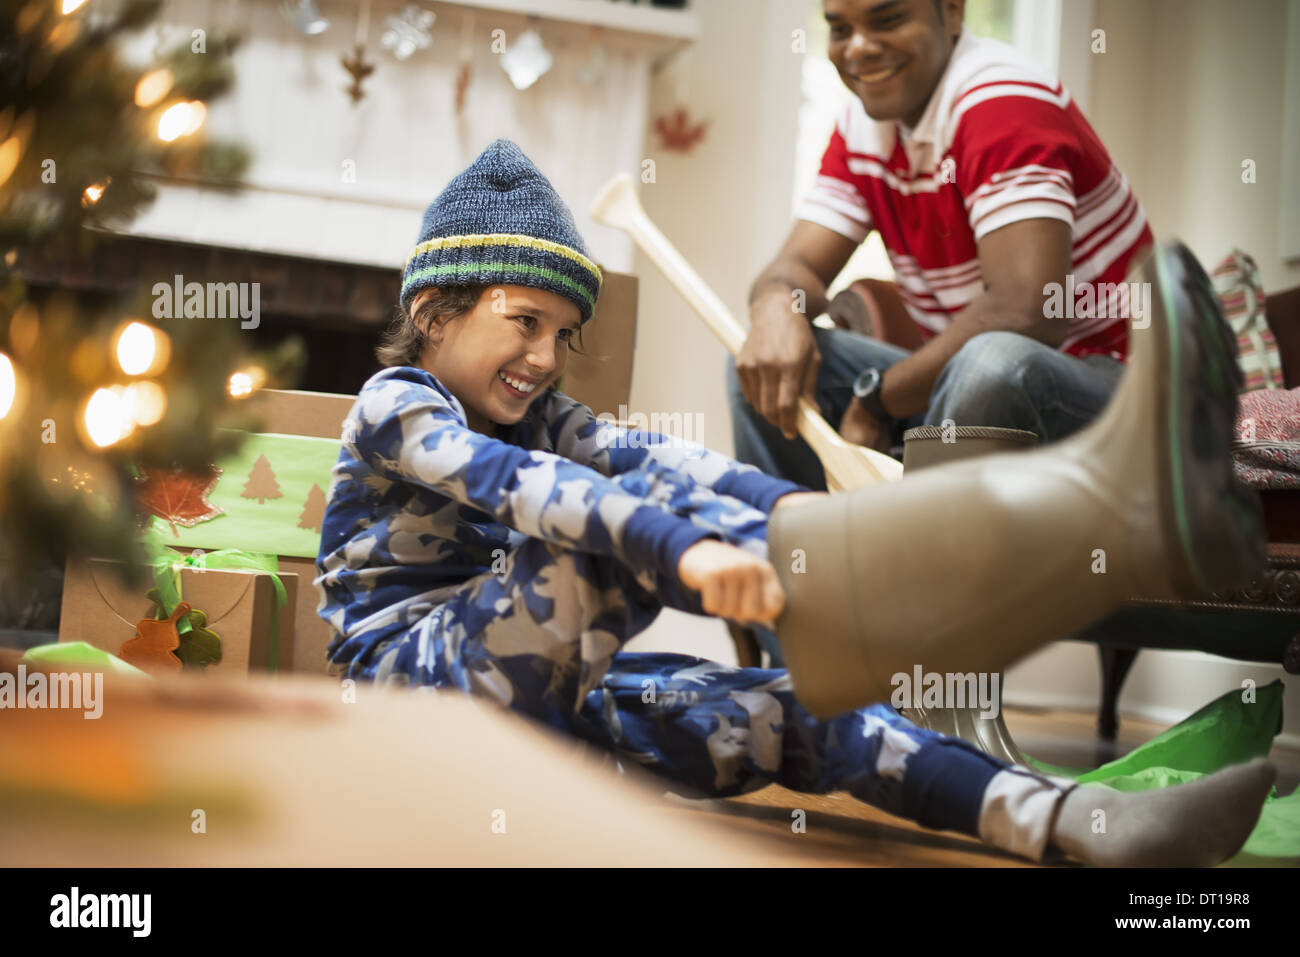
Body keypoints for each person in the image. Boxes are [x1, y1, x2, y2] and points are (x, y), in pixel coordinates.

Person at [315, 139, 1274, 868]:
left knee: (796, 710)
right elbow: (531, 492)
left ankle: (1069, 819)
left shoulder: (549, 415)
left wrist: (817, 531)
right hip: (414, 704)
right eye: (525, 322)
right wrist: (683, 555)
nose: (545, 357)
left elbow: (677, 463)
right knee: (610, 509)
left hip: (547, 716)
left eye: (564, 334)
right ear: (436, 311)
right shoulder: (397, 404)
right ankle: (1043, 532)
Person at [729, 0, 1153, 486]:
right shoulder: (863, 127)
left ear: (952, 12)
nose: (859, 48)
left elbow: (1030, 311)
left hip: (1120, 389)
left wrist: (876, 400)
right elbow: (796, 266)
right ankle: (801, 544)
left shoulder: (1002, 101)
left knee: (992, 363)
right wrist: (775, 309)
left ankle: (923, 558)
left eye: (887, 20)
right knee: (760, 367)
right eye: (840, 29)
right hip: (973, 381)